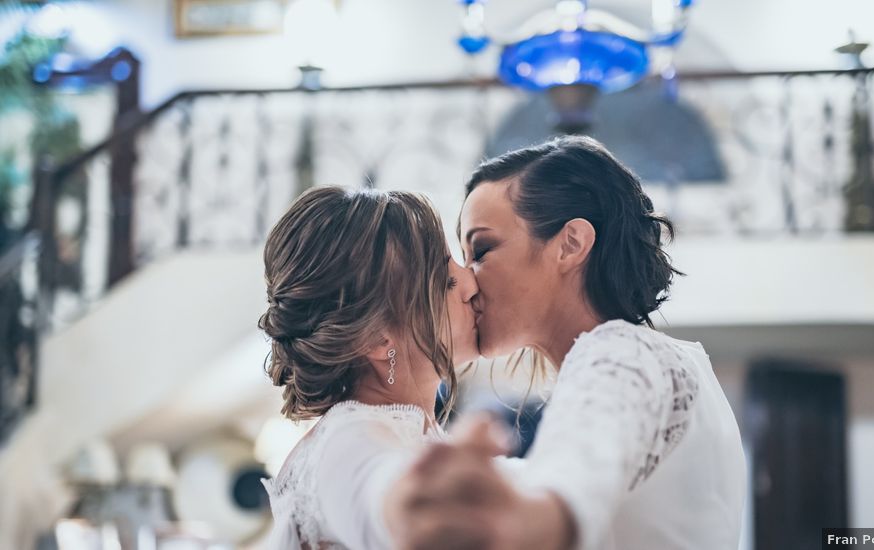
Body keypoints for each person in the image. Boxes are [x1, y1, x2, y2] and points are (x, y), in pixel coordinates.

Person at [389, 135, 747, 550]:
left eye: (482, 250)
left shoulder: (619, 355)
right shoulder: (676, 363)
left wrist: (520, 522)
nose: (468, 281)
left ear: (570, 245)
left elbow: (572, 483)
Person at [258, 186, 482, 549]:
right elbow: (379, 490)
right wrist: (419, 502)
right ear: (378, 340)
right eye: (444, 281)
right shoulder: (349, 437)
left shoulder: (406, 429)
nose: (471, 282)